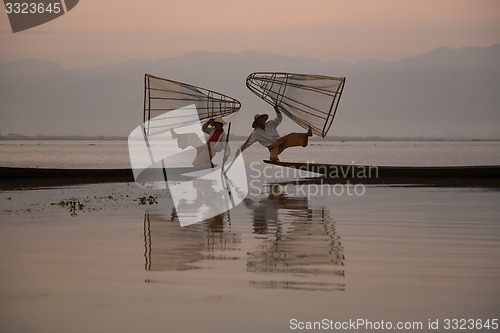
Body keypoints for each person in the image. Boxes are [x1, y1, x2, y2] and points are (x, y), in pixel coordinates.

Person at [239, 106, 312, 162]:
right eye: (259, 121)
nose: (261, 121)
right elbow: (248, 143)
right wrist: (239, 151)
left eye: (261, 119)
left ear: (263, 119)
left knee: (292, 136)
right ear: (257, 123)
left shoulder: (270, 123)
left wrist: (277, 110)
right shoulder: (255, 133)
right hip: (273, 147)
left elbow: (279, 118)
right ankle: (277, 160)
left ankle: (307, 134)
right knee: (273, 157)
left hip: (281, 141)